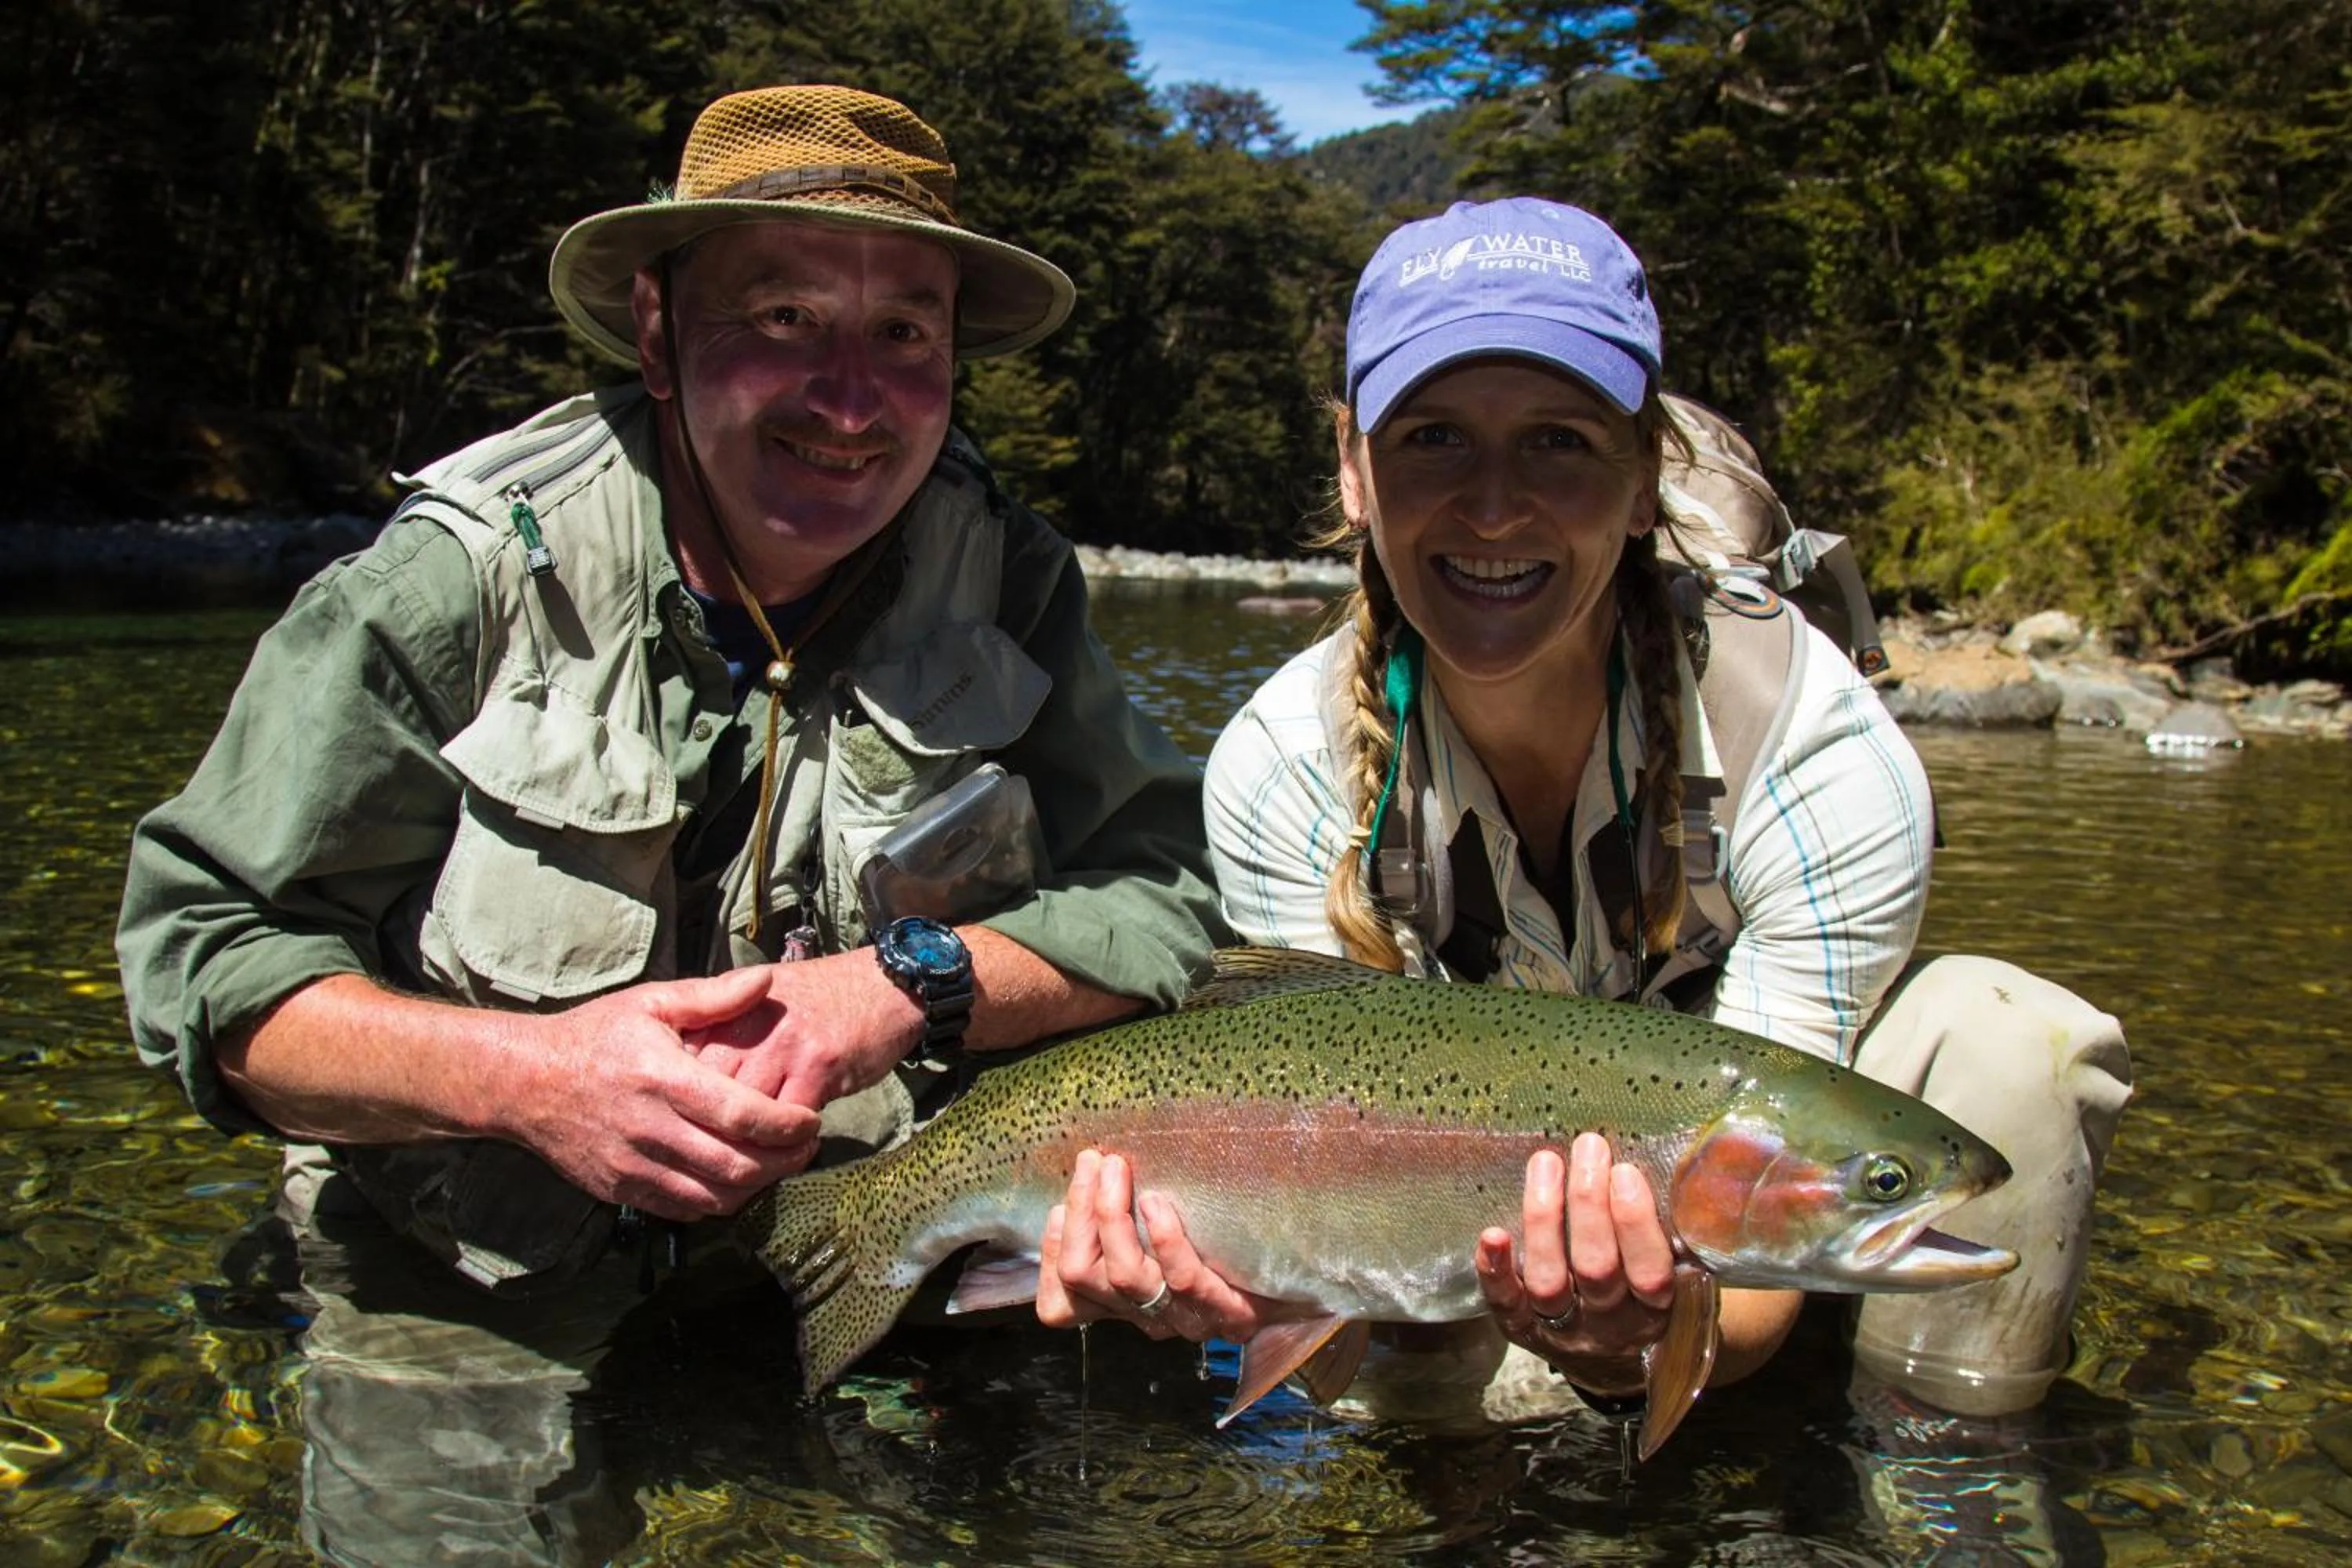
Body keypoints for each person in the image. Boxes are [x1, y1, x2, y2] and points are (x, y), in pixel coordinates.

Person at [116, 85, 1221, 1562]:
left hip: (879, 1215)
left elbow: (1158, 897)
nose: (848, 397)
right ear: (655, 330)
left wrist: (911, 982)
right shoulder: (452, 582)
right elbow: (201, 957)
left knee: (1146, 1508)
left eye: (905, 332)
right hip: (475, 1253)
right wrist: (529, 1081)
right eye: (781, 315)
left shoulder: (1009, 577)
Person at [1035, 196, 2132, 1437]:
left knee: (2016, 1042)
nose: (1495, 508)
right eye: (1436, 438)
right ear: (1353, 469)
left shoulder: (1813, 748)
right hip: (1436, 1249)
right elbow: (1327, 1265)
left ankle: (1952, 1476)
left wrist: (1637, 1343)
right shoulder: (1284, 763)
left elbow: (1750, 1268)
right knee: (1397, 1410)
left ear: (1645, 478)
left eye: (1558, 442)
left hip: (1752, 1242)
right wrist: (1230, 1272)